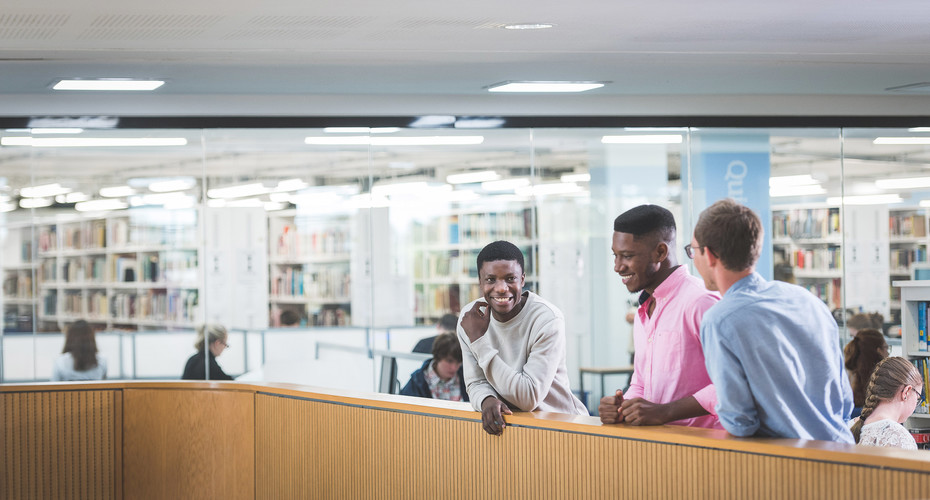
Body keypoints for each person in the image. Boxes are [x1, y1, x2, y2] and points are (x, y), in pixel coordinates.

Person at [691, 199, 854, 442]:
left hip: (786, 466)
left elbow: (740, 421)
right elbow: (845, 401)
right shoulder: (808, 301)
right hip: (843, 453)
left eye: (692, 250)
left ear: (710, 255)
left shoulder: (720, 320)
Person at [598, 205, 722, 429]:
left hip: (704, 449)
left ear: (661, 252)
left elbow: (730, 384)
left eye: (627, 256)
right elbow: (642, 382)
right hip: (660, 447)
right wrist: (622, 406)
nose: (617, 267)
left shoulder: (700, 302)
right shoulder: (645, 309)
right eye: (615, 256)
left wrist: (666, 412)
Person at [458, 240, 587, 435]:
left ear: (523, 279)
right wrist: (486, 400)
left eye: (510, 278)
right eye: (491, 279)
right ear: (480, 282)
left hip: (561, 427)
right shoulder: (470, 318)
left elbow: (528, 397)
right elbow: (475, 382)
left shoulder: (547, 319)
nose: (501, 288)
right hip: (513, 430)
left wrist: (479, 341)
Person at [851, 357, 921, 450]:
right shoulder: (898, 437)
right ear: (906, 392)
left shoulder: (850, 425)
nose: (916, 404)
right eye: (917, 398)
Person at [400, 332, 469, 402]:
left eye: (459, 362)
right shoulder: (417, 381)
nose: (454, 367)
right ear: (438, 357)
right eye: (449, 361)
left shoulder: (466, 378)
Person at [844, 328, 890, 418]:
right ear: (879, 351)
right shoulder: (886, 383)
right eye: (886, 348)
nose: (888, 353)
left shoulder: (846, 378)